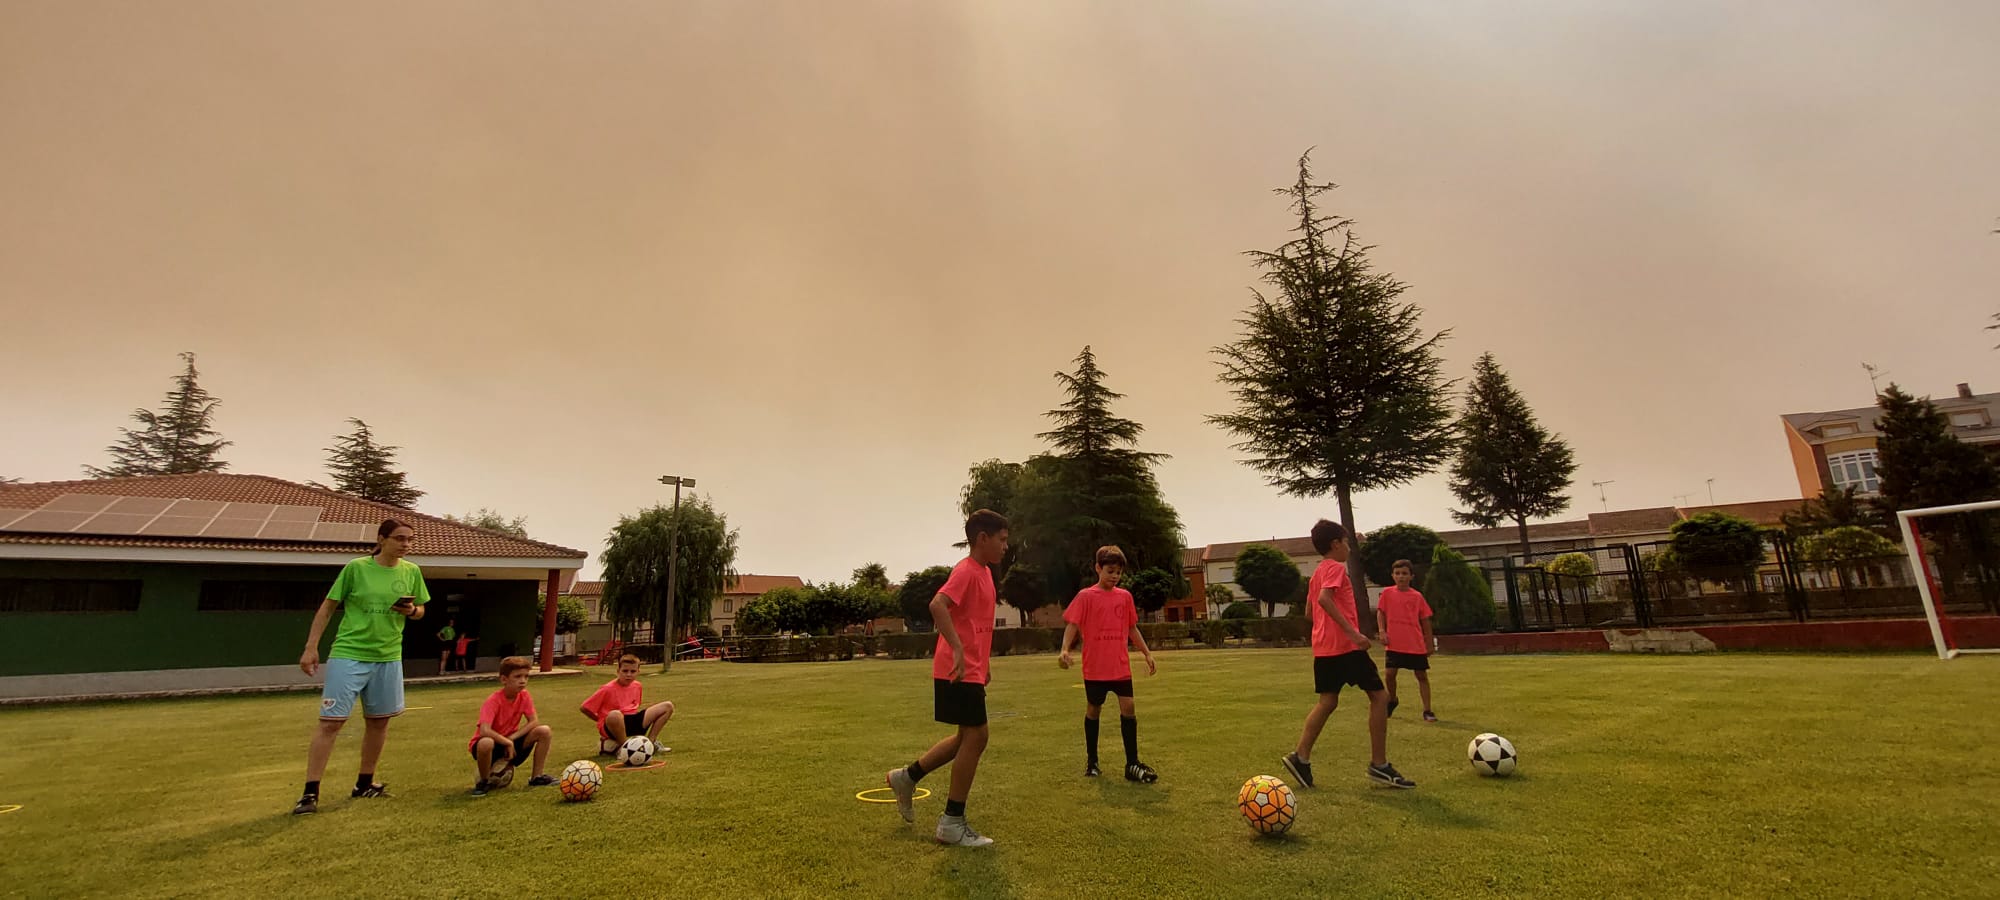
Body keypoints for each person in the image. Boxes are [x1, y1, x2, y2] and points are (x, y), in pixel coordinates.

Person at [883, 510, 1009, 848]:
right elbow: (937, 605)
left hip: (970, 668)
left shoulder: (984, 574)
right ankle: (952, 822)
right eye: (1002, 539)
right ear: (982, 538)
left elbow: (975, 622)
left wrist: (984, 663)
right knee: (977, 736)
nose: (1005, 546)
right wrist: (956, 649)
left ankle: (906, 777)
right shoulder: (966, 571)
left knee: (965, 738)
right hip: (956, 669)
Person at [293, 518, 430, 815]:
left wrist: (412, 610)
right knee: (331, 723)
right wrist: (311, 647)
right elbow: (327, 607)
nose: (406, 544)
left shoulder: (412, 572)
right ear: (381, 539)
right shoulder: (356, 568)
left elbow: (420, 611)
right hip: (350, 654)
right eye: (399, 538)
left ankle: (364, 783)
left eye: (410, 539)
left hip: (388, 656)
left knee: (379, 721)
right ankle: (309, 792)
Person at [1280, 519, 1415, 791]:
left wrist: (1327, 630)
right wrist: (1353, 634)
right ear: (1336, 544)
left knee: (1328, 701)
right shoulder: (1334, 569)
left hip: (1325, 649)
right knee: (1380, 697)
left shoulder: (1317, 573)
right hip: (1346, 648)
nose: (1350, 549)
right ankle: (1380, 765)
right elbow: (1324, 601)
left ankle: (1301, 757)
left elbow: (1310, 612)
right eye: (1347, 543)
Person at [1058, 545, 1158, 782]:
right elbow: (1072, 624)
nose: (1114, 576)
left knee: (1129, 707)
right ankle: (1092, 762)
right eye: (1110, 570)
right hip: (1095, 667)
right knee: (1094, 709)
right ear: (1097, 568)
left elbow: (1132, 628)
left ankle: (1131, 763)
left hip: (1120, 667)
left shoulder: (1125, 597)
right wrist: (1064, 649)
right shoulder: (1085, 596)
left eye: (1118, 572)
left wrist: (1147, 653)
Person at [469, 656, 555, 794]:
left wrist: (511, 739)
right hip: (492, 743)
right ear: (504, 679)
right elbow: (485, 730)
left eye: (526, 676)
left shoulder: (524, 696)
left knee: (544, 731)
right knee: (486, 742)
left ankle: (537, 777)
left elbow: (533, 722)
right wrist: (506, 742)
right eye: (518, 676)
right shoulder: (493, 700)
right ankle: (484, 782)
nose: (523, 681)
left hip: (510, 740)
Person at [1378, 559, 1437, 722]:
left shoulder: (1417, 596)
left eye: (1404, 573)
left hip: (1414, 644)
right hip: (1394, 643)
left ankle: (1427, 710)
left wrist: (1429, 643)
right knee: (1390, 674)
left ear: (1411, 576)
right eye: (1397, 573)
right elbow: (1381, 612)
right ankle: (1392, 699)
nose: (1401, 577)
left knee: (1421, 675)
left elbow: (1425, 620)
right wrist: (1382, 631)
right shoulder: (1387, 593)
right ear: (1392, 576)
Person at [579, 654, 676, 752]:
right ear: (618, 671)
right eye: (625, 671)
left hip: (632, 720)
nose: (629, 674)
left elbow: (633, 707)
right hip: (613, 723)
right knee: (615, 714)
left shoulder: (637, 686)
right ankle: (625, 748)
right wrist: (600, 720)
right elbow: (584, 707)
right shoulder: (607, 689)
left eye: (633, 671)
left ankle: (650, 744)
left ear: (638, 672)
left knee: (667, 706)